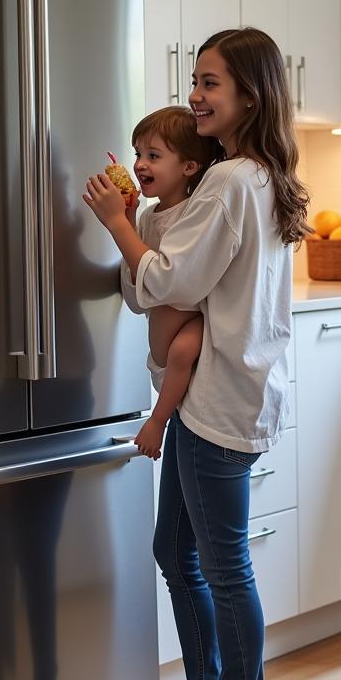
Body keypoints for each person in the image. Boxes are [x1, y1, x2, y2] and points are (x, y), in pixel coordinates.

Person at [83, 27, 308, 680]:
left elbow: (168, 284)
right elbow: (170, 271)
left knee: (221, 565)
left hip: (218, 401)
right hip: (210, 399)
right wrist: (137, 216)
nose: (196, 94)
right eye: (195, 80)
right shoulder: (243, 178)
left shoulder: (235, 181)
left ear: (251, 93)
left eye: (211, 82)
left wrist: (118, 223)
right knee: (177, 554)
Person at [113, 106, 223, 460]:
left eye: (154, 156)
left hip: (189, 333)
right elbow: (137, 297)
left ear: (189, 167)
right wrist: (127, 221)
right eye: (138, 154)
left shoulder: (194, 213)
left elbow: (169, 282)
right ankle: (164, 418)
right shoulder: (148, 217)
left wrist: (117, 224)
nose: (140, 164)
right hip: (157, 357)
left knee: (182, 351)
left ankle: (157, 422)